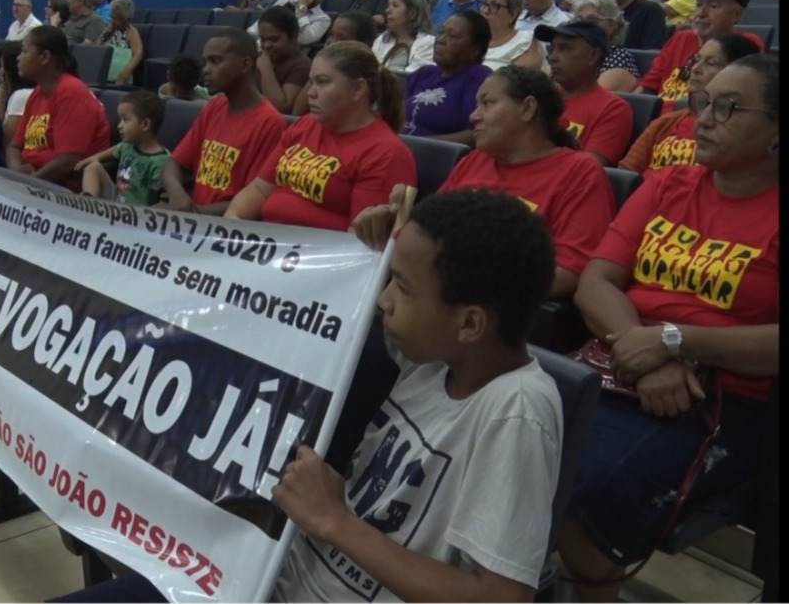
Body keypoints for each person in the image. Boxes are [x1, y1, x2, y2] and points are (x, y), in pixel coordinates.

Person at [52, 188, 564, 604]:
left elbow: (501, 597)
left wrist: (337, 522)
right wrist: (375, 248)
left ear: (470, 323)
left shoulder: (517, 410)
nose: (384, 300)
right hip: (269, 576)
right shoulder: (436, 359)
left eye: (402, 288)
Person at [558, 54, 779, 601]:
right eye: (704, 103)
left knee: (586, 480)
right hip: (618, 367)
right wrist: (648, 356)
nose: (703, 119)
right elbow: (596, 284)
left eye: (729, 109)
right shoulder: (667, 184)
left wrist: (671, 341)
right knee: (512, 437)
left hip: (720, 400)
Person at [439, 65, 614, 298]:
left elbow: (568, 272)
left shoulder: (580, 173)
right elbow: (429, 231)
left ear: (528, 108)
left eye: (487, 103)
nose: (474, 116)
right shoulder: (475, 159)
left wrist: (469, 283)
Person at [224, 42, 417, 232]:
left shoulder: (386, 153)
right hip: (267, 240)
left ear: (358, 88)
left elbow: (360, 241)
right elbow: (260, 189)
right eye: (311, 82)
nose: (310, 93)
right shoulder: (305, 125)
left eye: (322, 82)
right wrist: (232, 221)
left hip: (320, 250)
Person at [160, 28, 286, 216]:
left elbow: (256, 201)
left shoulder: (270, 123)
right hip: (194, 218)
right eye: (205, 62)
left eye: (215, 61)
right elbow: (173, 164)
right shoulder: (214, 107)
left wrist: (191, 213)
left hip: (227, 226)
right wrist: (177, 194)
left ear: (245, 65)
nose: (206, 69)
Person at [619, 32, 758, 172]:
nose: (695, 68)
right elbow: (627, 174)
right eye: (696, 60)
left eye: (711, 63)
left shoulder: (738, 136)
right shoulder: (665, 123)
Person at [6, 26, 110, 191]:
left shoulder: (71, 92)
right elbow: (14, 146)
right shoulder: (38, 93)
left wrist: (28, 184)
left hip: (65, 191)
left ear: (45, 57)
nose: (18, 58)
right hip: (36, 184)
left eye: (25, 51)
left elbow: (68, 161)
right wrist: (17, 171)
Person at [635, 0, 763, 114]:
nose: (701, 13)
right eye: (698, 5)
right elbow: (647, 86)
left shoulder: (745, 45)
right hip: (660, 120)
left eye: (713, 6)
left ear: (737, 14)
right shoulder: (680, 39)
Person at [537, 21, 634, 166]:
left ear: (593, 56)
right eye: (553, 48)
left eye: (564, 48)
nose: (552, 57)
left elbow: (587, 170)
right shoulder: (539, 97)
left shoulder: (613, 109)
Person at [402, 10, 493, 145]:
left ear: (474, 50)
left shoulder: (478, 76)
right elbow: (390, 112)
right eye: (441, 32)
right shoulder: (424, 73)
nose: (440, 40)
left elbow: (474, 134)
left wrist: (417, 144)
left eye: (452, 36)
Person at [75, 90, 169, 204]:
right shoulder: (128, 145)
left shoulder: (161, 161)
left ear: (145, 124)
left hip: (137, 211)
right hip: (117, 199)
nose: (119, 126)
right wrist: (96, 158)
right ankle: (88, 203)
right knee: (93, 167)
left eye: (125, 119)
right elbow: (116, 149)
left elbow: (163, 199)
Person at [290, 10, 379, 116]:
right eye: (332, 35)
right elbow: (297, 111)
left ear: (363, 44)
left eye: (342, 38)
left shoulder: (363, 77)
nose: (332, 42)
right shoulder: (327, 69)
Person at [572, 0, 641, 92]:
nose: (582, 26)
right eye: (578, 20)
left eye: (592, 19)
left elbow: (589, 98)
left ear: (611, 26)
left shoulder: (618, 59)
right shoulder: (577, 55)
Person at [256, 6, 313, 113]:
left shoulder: (302, 65)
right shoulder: (260, 58)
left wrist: (265, 69)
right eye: (263, 39)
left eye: (274, 39)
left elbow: (282, 108)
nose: (266, 45)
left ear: (293, 36)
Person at [480, 0, 549, 71]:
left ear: (512, 14)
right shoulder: (474, 39)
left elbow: (520, 77)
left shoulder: (525, 42)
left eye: (494, 6)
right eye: (484, 4)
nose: (485, 11)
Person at [372, 0, 438, 74]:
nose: (387, 10)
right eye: (388, 6)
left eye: (395, 6)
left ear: (412, 13)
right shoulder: (382, 39)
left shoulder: (429, 43)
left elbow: (416, 76)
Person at [247, 0, 332, 46]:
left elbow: (304, 39)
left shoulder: (323, 19)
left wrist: (302, 7)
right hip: (260, 48)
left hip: (289, 57)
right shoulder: (284, 1)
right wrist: (247, 38)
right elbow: (259, 25)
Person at [99, 0, 143, 85]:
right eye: (111, 17)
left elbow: (138, 54)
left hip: (118, 78)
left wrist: (126, 72)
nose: (112, 21)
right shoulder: (109, 29)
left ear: (125, 18)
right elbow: (97, 46)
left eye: (116, 18)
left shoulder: (131, 32)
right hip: (102, 73)